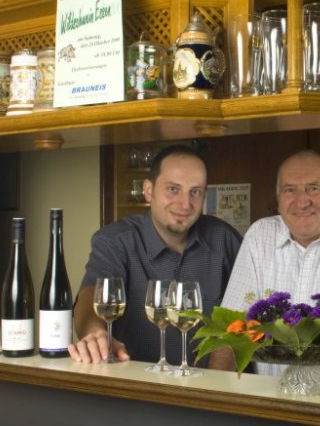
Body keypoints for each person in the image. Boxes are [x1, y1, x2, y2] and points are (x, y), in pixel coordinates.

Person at [209, 150, 320, 373]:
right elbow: (230, 330)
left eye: (313, 188)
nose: (302, 201)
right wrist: (214, 402)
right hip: (267, 399)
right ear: (278, 200)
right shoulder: (260, 236)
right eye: (289, 190)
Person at [68, 145, 242, 365]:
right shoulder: (116, 241)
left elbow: (250, 311)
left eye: (195, 192)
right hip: (137, 389)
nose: (185, 204)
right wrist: (95, 332)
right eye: (173, 189)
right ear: (148, 190)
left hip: (208, 389)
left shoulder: (225, 239)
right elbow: (91, 293)